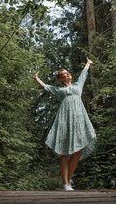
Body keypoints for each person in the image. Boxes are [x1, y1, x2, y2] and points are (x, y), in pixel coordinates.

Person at [33, 58, 96, 191]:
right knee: (64, 152)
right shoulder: (59, 90)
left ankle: (68, 179)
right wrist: (36, 78)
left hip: (78, 120)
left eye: (67, 73)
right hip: (64, 120)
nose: (67, 74)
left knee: (77, 152)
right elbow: (46, 87)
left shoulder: (78, 85)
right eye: (64, 74)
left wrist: (88, 63)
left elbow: (83, 74)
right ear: (61, 79)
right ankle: (66, 184)